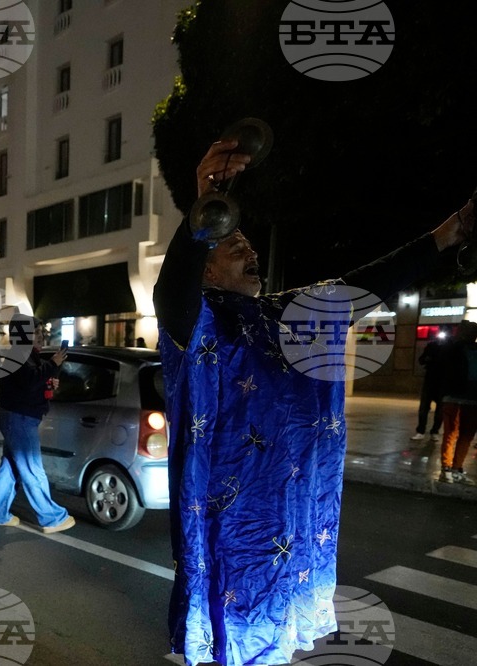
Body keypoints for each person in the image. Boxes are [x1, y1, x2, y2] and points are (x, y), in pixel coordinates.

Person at [153, 137, 475, 666]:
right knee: (236, 637)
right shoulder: (195, 322)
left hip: (291, 519)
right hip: (231, 529)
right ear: (206, 270)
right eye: (233, 246)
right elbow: (172, 288)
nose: (250, 252)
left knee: (277, 634)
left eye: (249, 245)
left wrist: (449, 234)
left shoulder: (287, 316)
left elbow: (364, 285)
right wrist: (201, 210)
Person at [0, 317, 75, 533]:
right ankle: (51, 518)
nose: (41, 336)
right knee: (32, 469)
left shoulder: (26, 356)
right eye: (36, 332)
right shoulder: (19, 355)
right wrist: (52, 364)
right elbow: (28, 381)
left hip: (18, 418)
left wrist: (49, 380)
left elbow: (31, 383)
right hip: (19, 418)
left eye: (42, 332)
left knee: (11, 468)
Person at [437, 320, 477, 485]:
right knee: (452, 433)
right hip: (455, 396)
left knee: (465, 435)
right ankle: (448, 468)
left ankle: (455, 468)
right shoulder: (452, 349)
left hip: (471, 398)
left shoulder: (463, 349)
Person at [413, 332, 449, 441]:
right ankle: (421, 431)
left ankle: (434, 431)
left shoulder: (449, 348)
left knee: (440, 410)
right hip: (430, 381)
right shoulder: (431, 346)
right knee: (424, 408)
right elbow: (421, 360)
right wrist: (427, 359)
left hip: (442, 382)